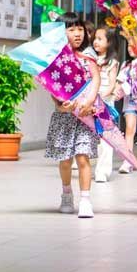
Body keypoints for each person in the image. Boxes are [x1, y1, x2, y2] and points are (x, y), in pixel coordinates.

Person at [45, 12, 101, 218]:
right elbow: (52, 86)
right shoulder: (57, 58)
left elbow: (96, 79)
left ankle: (85, 200)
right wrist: (61, 105)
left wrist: (89, 102)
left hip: (86, 116)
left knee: (83, 157)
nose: (77, 33)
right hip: (65, 117)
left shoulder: (89, 55)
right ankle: (67, 193)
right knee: (66, 160)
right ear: (61, 33)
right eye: (71, 29)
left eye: (80, 29)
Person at [92, 27, 120, 183]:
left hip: (105, 104)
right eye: (95, 38)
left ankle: (103, 171)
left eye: (100, 39)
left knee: (106, 138)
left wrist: (101, 96)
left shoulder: (112, 62)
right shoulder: (90, 58)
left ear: (109, 43)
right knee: (90, 136)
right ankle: (87, 166)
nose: (96, 41)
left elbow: (111, 84)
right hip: (90, 102)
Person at [117, 56, 137, 174]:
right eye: (129, 45)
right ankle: (128, 160)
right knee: (129, 129)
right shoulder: (126, 65)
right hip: (129, 101)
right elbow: (119, 83)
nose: (131, 47)